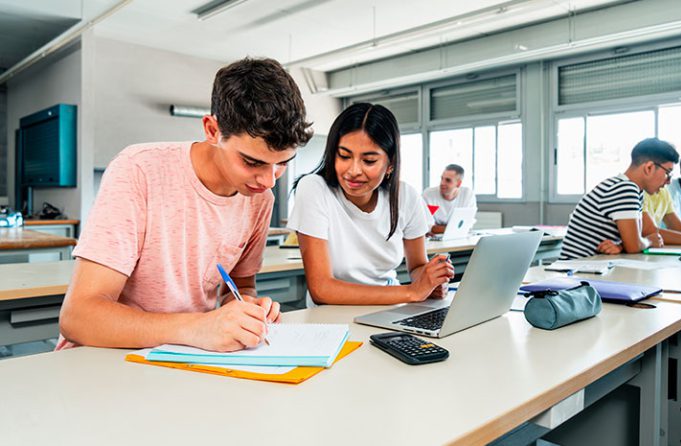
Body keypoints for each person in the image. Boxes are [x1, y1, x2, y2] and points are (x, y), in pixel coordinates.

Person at [58, 58, 312, 352]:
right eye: (252, 162)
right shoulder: (138, 169)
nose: (268, 180)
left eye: (281, 163)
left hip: (188, 357)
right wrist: (200, 327)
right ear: (212, 130)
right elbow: (78, 317)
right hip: (104, 360)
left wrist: (246, 310)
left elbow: (240, 287)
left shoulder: (259, 198)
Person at [288, 103, 454, 306]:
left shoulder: (406, 196)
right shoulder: (314, 188)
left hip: (392, 308)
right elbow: (322, 289)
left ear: (390, 164)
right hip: (332, 316)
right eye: (344, 156)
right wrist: (412, 292)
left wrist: (430, 281)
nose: (353, 170)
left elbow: (417, 266)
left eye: (369, 161)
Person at [559, 138, 677, 260]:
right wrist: (649, 241)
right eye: (668, 173)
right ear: (649, 168)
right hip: (575, 270)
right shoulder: (625, 189)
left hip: (589, 266)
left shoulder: (632, 189)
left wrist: (622, 246)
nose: (669, 181)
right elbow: (634, 246)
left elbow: (632, 242)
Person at [423, 164, 477, 234]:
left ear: (458, 183)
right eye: (442, 178)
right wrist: (454, 228)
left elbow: (467, 224)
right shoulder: (428, 195)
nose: (442, 183)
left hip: (457, 238)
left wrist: (438, 228)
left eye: (448, 180)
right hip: (433, 240)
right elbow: (426, 226)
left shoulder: (467, 195)